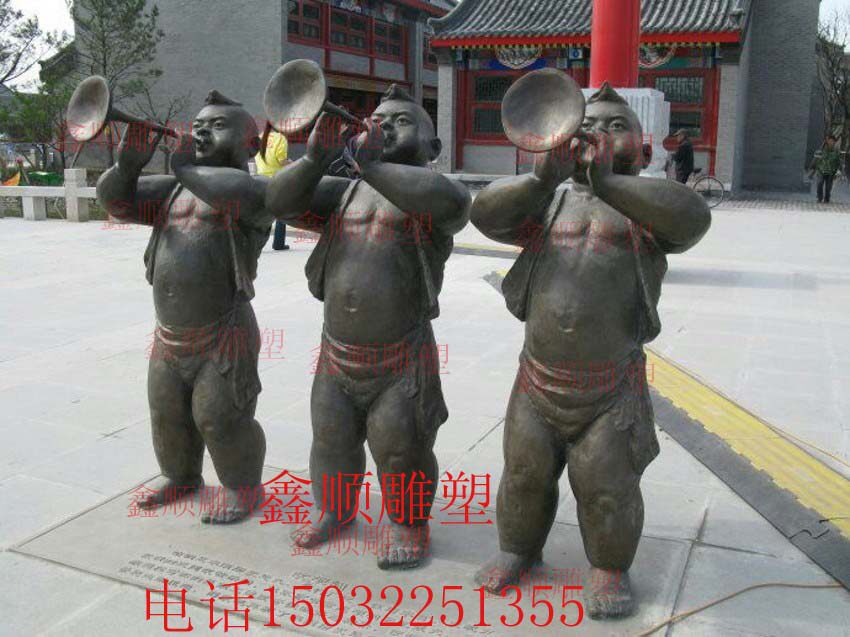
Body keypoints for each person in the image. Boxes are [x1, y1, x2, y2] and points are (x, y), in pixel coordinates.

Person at [470, 83, 711, 618]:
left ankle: (609, 568)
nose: (597, 133)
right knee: (523, 476)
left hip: (610, 387)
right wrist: (541, 179)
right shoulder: (549, 203)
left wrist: (609, 183)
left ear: (643, 151)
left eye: (615, 126)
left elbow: (693, 218)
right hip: (537, 378)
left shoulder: (643, 210)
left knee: (608, 488)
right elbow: (484, 214)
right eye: (587, 125)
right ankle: (517, 549)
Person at [266, 85, 471, 570]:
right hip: (337, 352)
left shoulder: (434, 195)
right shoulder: (345, 192)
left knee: (402, 448)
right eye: (378, 120)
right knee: (330, 440)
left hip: (401, 357)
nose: (384, 127)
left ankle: (408, 522)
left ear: (433, 146)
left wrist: (373, 166)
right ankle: (333, 509)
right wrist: (314, 159)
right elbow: (278, 202)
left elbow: (453, 204)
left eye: (401, 121)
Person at [96, 91, 278, 524]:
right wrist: (126, 166)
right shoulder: (174, 190)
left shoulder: (255, 192)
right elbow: (116, 203)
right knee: (167, 413)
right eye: (198, 125)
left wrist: (183, 168)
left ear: (251, 144)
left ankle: (243, 487)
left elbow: (236, 193)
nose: (201, 132)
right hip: (170, 333)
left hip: (224, 333)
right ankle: (179, 476)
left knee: (220, 417)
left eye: (218, 126)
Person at [255, 129, 291, 249]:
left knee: (262, 212)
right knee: (280, 212)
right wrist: (293, 164)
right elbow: (282, 161)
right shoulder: (280, 138)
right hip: (277, 179)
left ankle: (256, 242)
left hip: (261, 178)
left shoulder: (260, 137)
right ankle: (278, 243)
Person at [811, 135, 841, 204]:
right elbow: (816, 159)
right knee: (819, 183)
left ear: (834, 142)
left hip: (831, 172)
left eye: (832, 141)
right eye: (830, 141)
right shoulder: (822, 149)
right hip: (821, 170)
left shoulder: (836, 152)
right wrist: (813, 167)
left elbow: (838, 162)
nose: (831, 142)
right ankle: (819, 198)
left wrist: (837, 171)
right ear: (827, 141)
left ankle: (827, 198)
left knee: (828, 187)